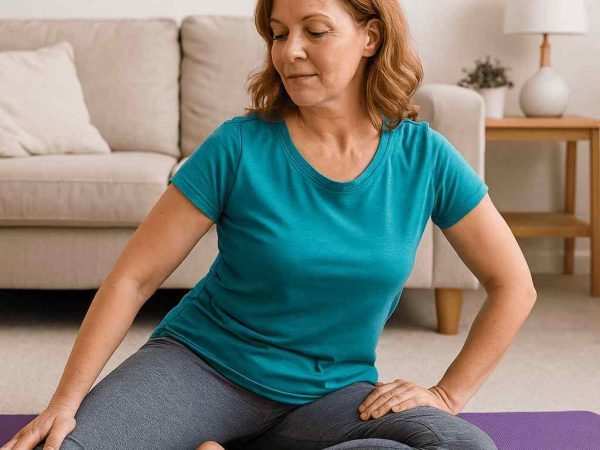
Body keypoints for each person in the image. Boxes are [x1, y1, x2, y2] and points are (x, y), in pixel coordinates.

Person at [2, 0, 538, 449]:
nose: (289, 51)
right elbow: (133, 279)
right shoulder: (238, 146)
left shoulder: (424, 156)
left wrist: (446, 395)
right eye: (279, 34)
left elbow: (513, 284)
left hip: (331, 397)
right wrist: (64, 402)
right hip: (202, 369)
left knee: (462, 446)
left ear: (370, 37)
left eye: (315, 31)